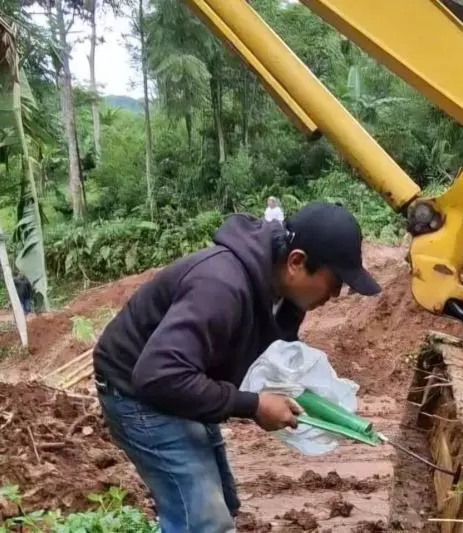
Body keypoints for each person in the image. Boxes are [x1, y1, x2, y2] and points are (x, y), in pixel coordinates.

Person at [92, 202, 380, 533]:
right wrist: (253, 405)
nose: (335, 295)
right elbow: (158, 375)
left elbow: (266, 355)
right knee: (204, 521)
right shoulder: (221, 287)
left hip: (182, 379)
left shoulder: (285, 296)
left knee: (223, 505)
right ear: (296, 262)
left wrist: (319, 404)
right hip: (137, 391)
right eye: (334, 282)